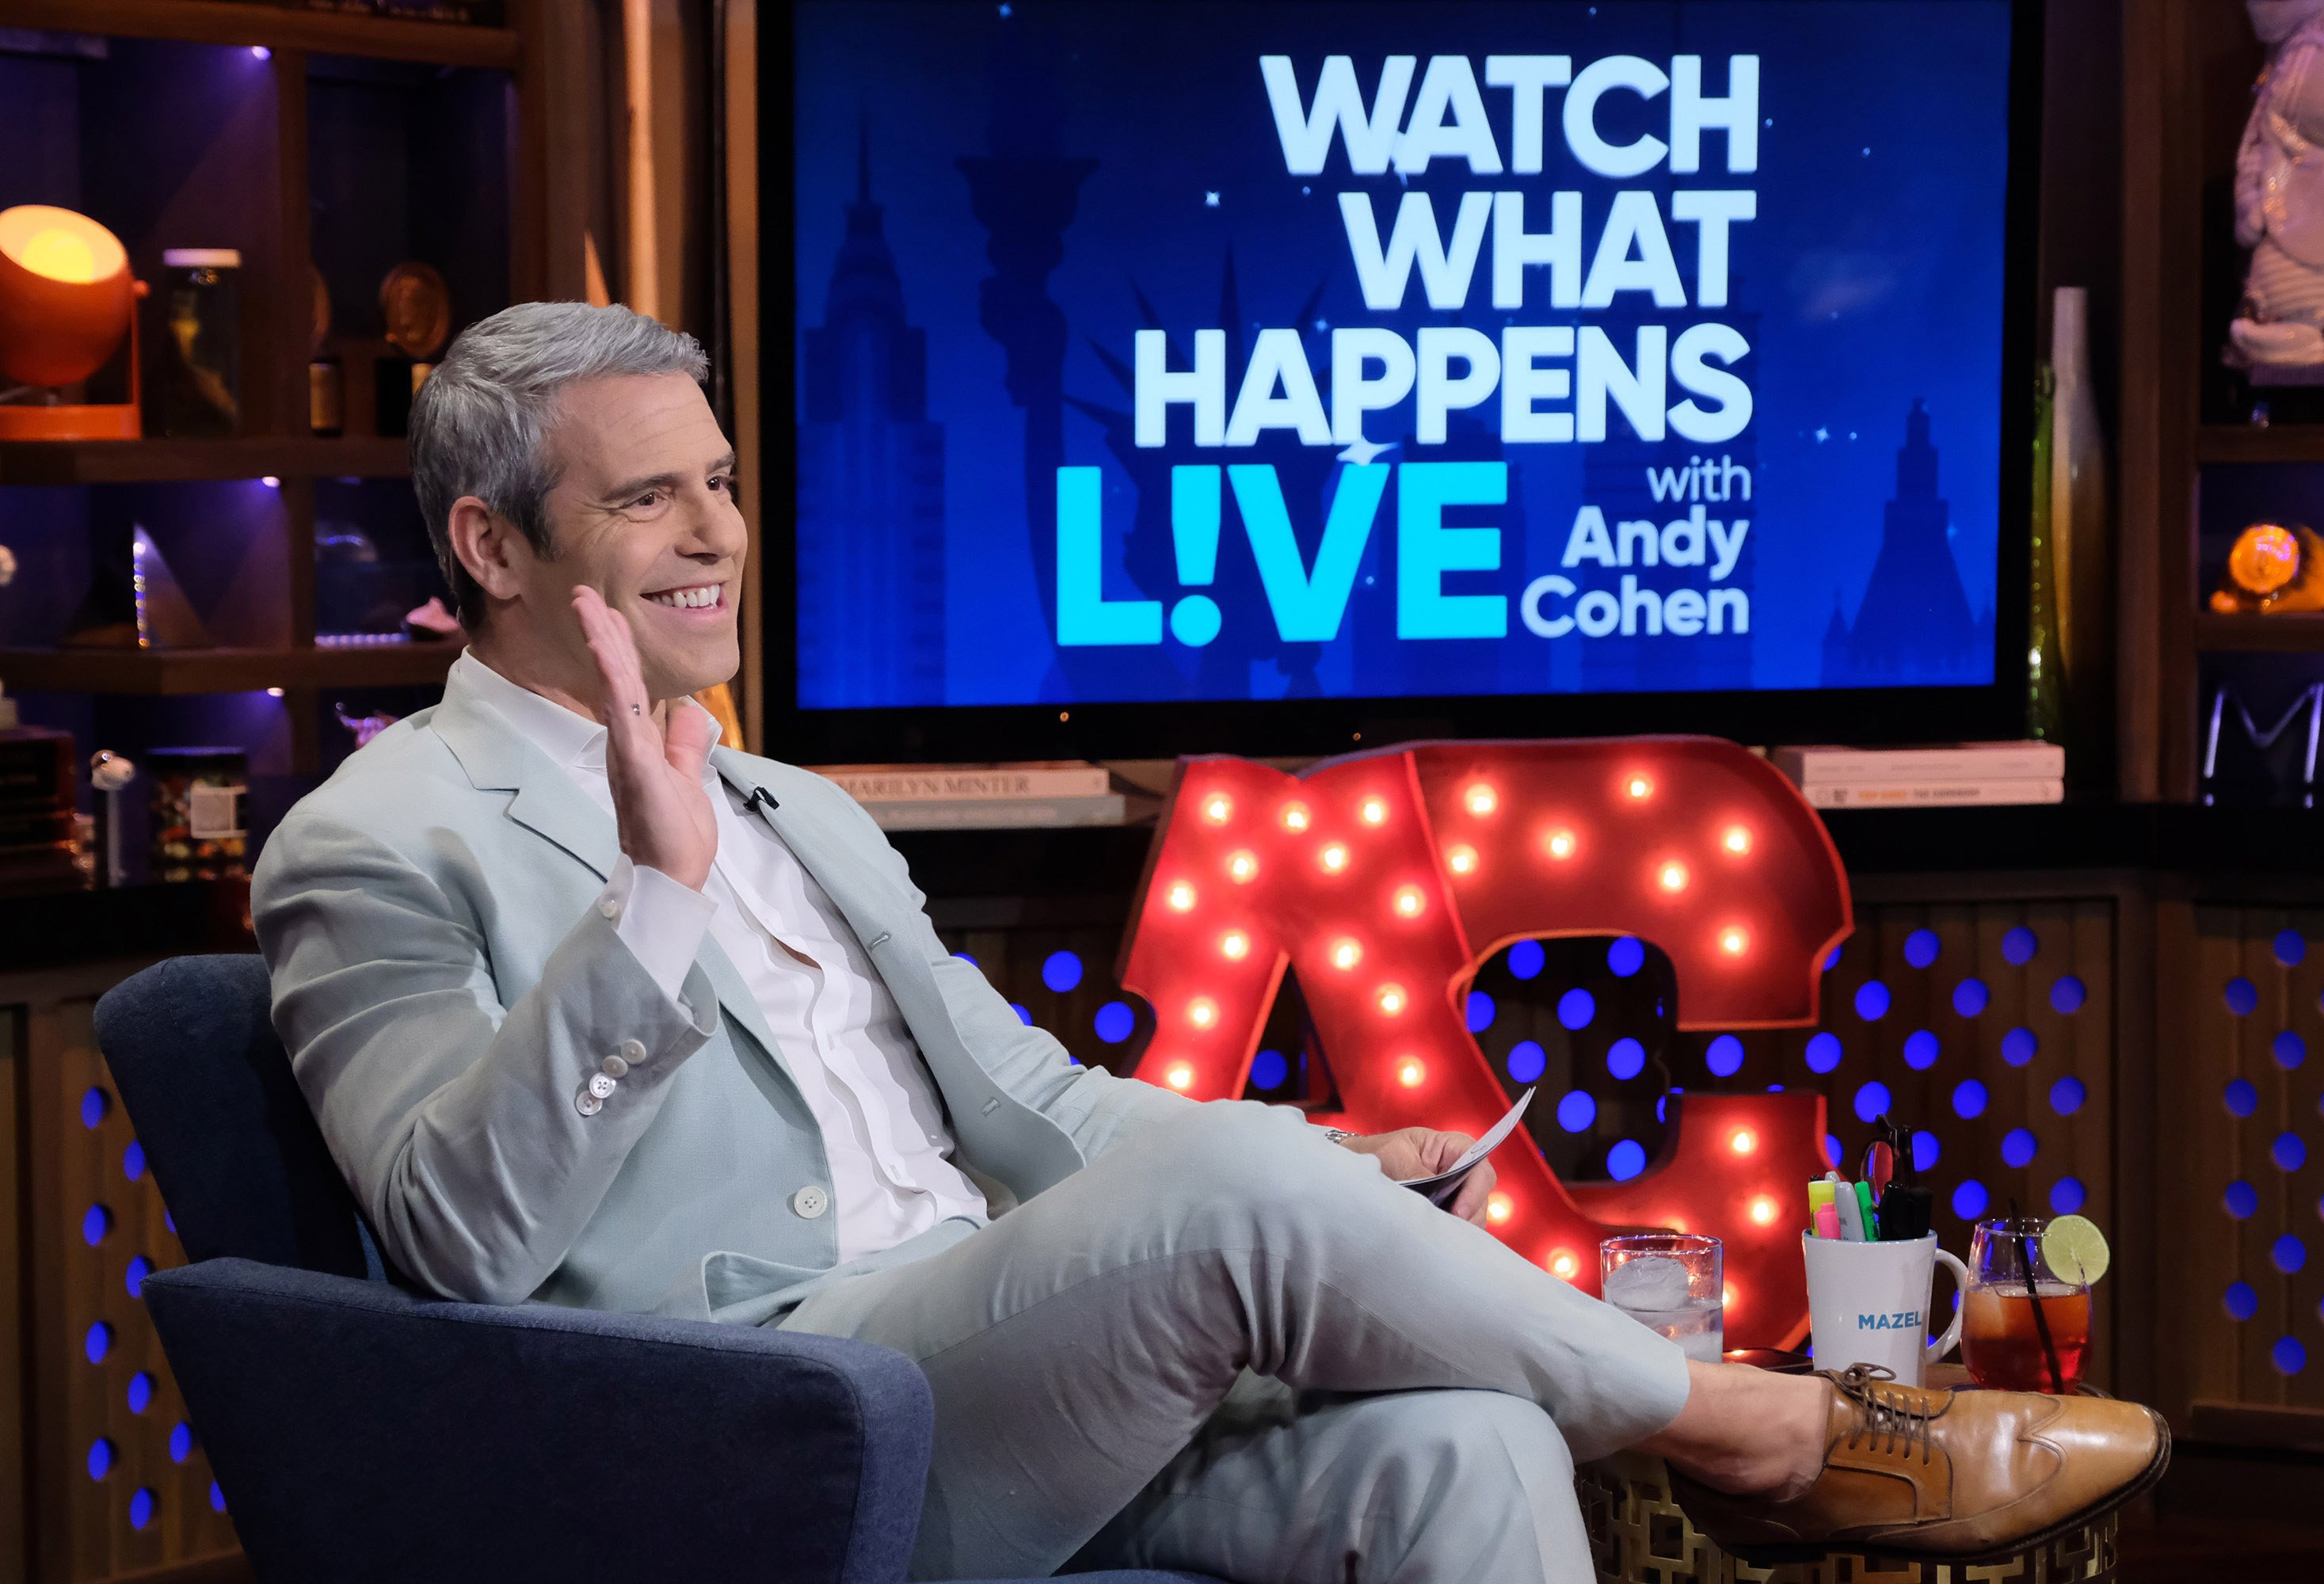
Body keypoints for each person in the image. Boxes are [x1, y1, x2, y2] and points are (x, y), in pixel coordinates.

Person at [253, 302, 2166, 1583]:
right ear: (494, 550)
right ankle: (1770, 1434)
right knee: (1263, 1195)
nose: (717, 531)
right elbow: (456, 1232)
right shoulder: (369, 843)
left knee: (1471, 1442)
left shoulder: (799, 804)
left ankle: (1731, 1430)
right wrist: (652, 899)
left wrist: (1319, 1174)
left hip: (1019, 1350)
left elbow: (1041, 1104)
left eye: (726, 479)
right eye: (647, 493)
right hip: (763, 1420)